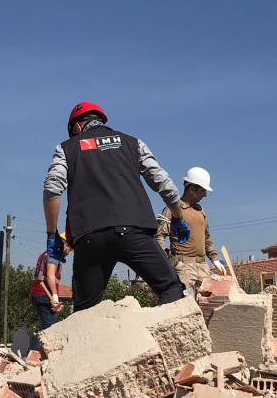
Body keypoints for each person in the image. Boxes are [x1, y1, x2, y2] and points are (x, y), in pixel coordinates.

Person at [42, 102, 188, 312]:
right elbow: (164, 184)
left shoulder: (66, 148)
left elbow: (52, 189)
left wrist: (51, 234)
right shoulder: (133, 143)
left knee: (85, 311)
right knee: (171, 288)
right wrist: (178, 217)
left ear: (76, 127)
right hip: (134, 231)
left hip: (90, 237)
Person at [156, 166, 226, 294]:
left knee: (206, 305)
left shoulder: (201, 211)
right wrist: (168, 260)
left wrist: (215, 259)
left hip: (203, 267)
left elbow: (207, 238)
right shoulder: (173, 209)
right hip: (184, 268)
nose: (205, 195)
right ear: (192, 189)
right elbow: (159, 236)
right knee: (188, 307)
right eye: (203, 190)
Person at [31, 233, 69, 330]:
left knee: (51, 325)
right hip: (43, 294)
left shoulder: (49, 254)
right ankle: (37, 345)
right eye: (70, 248)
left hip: (42, 295)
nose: (70, 252)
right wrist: (55, 297)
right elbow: (50, 276)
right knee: (50, 327)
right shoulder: (53, 256)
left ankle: (37, 344)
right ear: (64, 244)